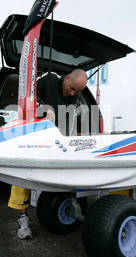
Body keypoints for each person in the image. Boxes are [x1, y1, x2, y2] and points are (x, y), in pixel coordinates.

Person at [9, 68, 88, 239]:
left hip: (52, 139)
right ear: (66, 78)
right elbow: (27, 95)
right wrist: (44, 108)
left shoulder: (75, 97)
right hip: (31, 132)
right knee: (23, 172)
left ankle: (62, 203)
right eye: (72, 88)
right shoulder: (50, 79)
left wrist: (67, 141)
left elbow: (69, 123)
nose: (73, 93)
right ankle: (22, 217)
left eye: (78, 91)